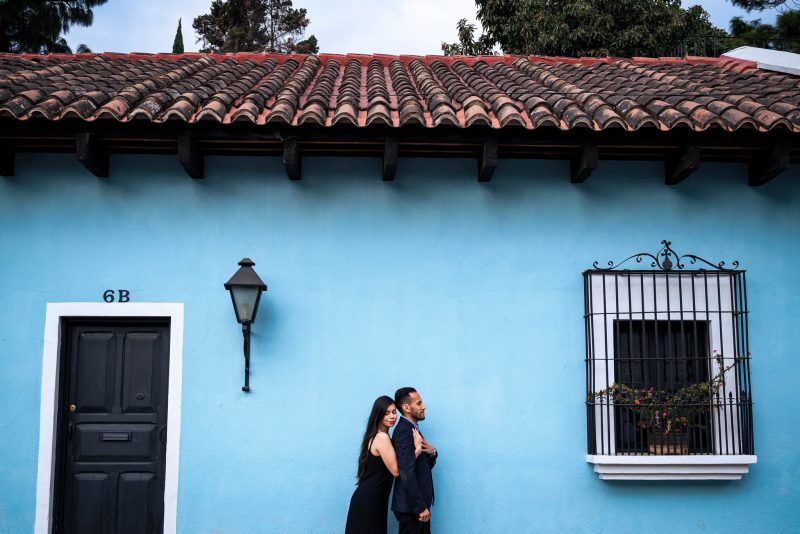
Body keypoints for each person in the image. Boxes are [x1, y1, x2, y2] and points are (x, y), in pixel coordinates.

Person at [345, 395, 422, 534]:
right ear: (378, 415)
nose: (392, 416)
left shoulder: (377, 435)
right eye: (386, 413)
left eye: (394, 412)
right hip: (370, 500)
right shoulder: (382, 437)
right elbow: (396, 471)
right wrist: (416, 451)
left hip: (372, 499)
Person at [392, 387, 438, 534]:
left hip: (417, 507)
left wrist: (432, 453)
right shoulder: (404, 432)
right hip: (412, 509)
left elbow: (423, 467)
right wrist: (420, 507)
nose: (423, 406)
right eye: (419, 403)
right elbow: (405, 471)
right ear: (406, 407)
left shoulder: (413, 429)